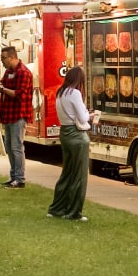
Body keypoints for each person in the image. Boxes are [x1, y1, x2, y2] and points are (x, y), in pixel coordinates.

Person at [47, 66, 96, 222]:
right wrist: (91, 114)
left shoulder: (60, 93)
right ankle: (74, 212)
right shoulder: (74, 93)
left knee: (67, 173)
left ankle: (57, 208)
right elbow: (83, 118)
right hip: (77, 136)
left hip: (65, 133)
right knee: (79, 176)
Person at [0, 45, 33, 188]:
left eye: (4, 58)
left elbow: (19, 94)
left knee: (16, 146)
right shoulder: (9, 71)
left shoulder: (24, 73)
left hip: (19, 114)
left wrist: (0, 89)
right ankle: (13, 177)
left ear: (12, 57)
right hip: (8, 113)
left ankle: (20, 179)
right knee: (9, 146)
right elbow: (3, 84)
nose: (2, 61)